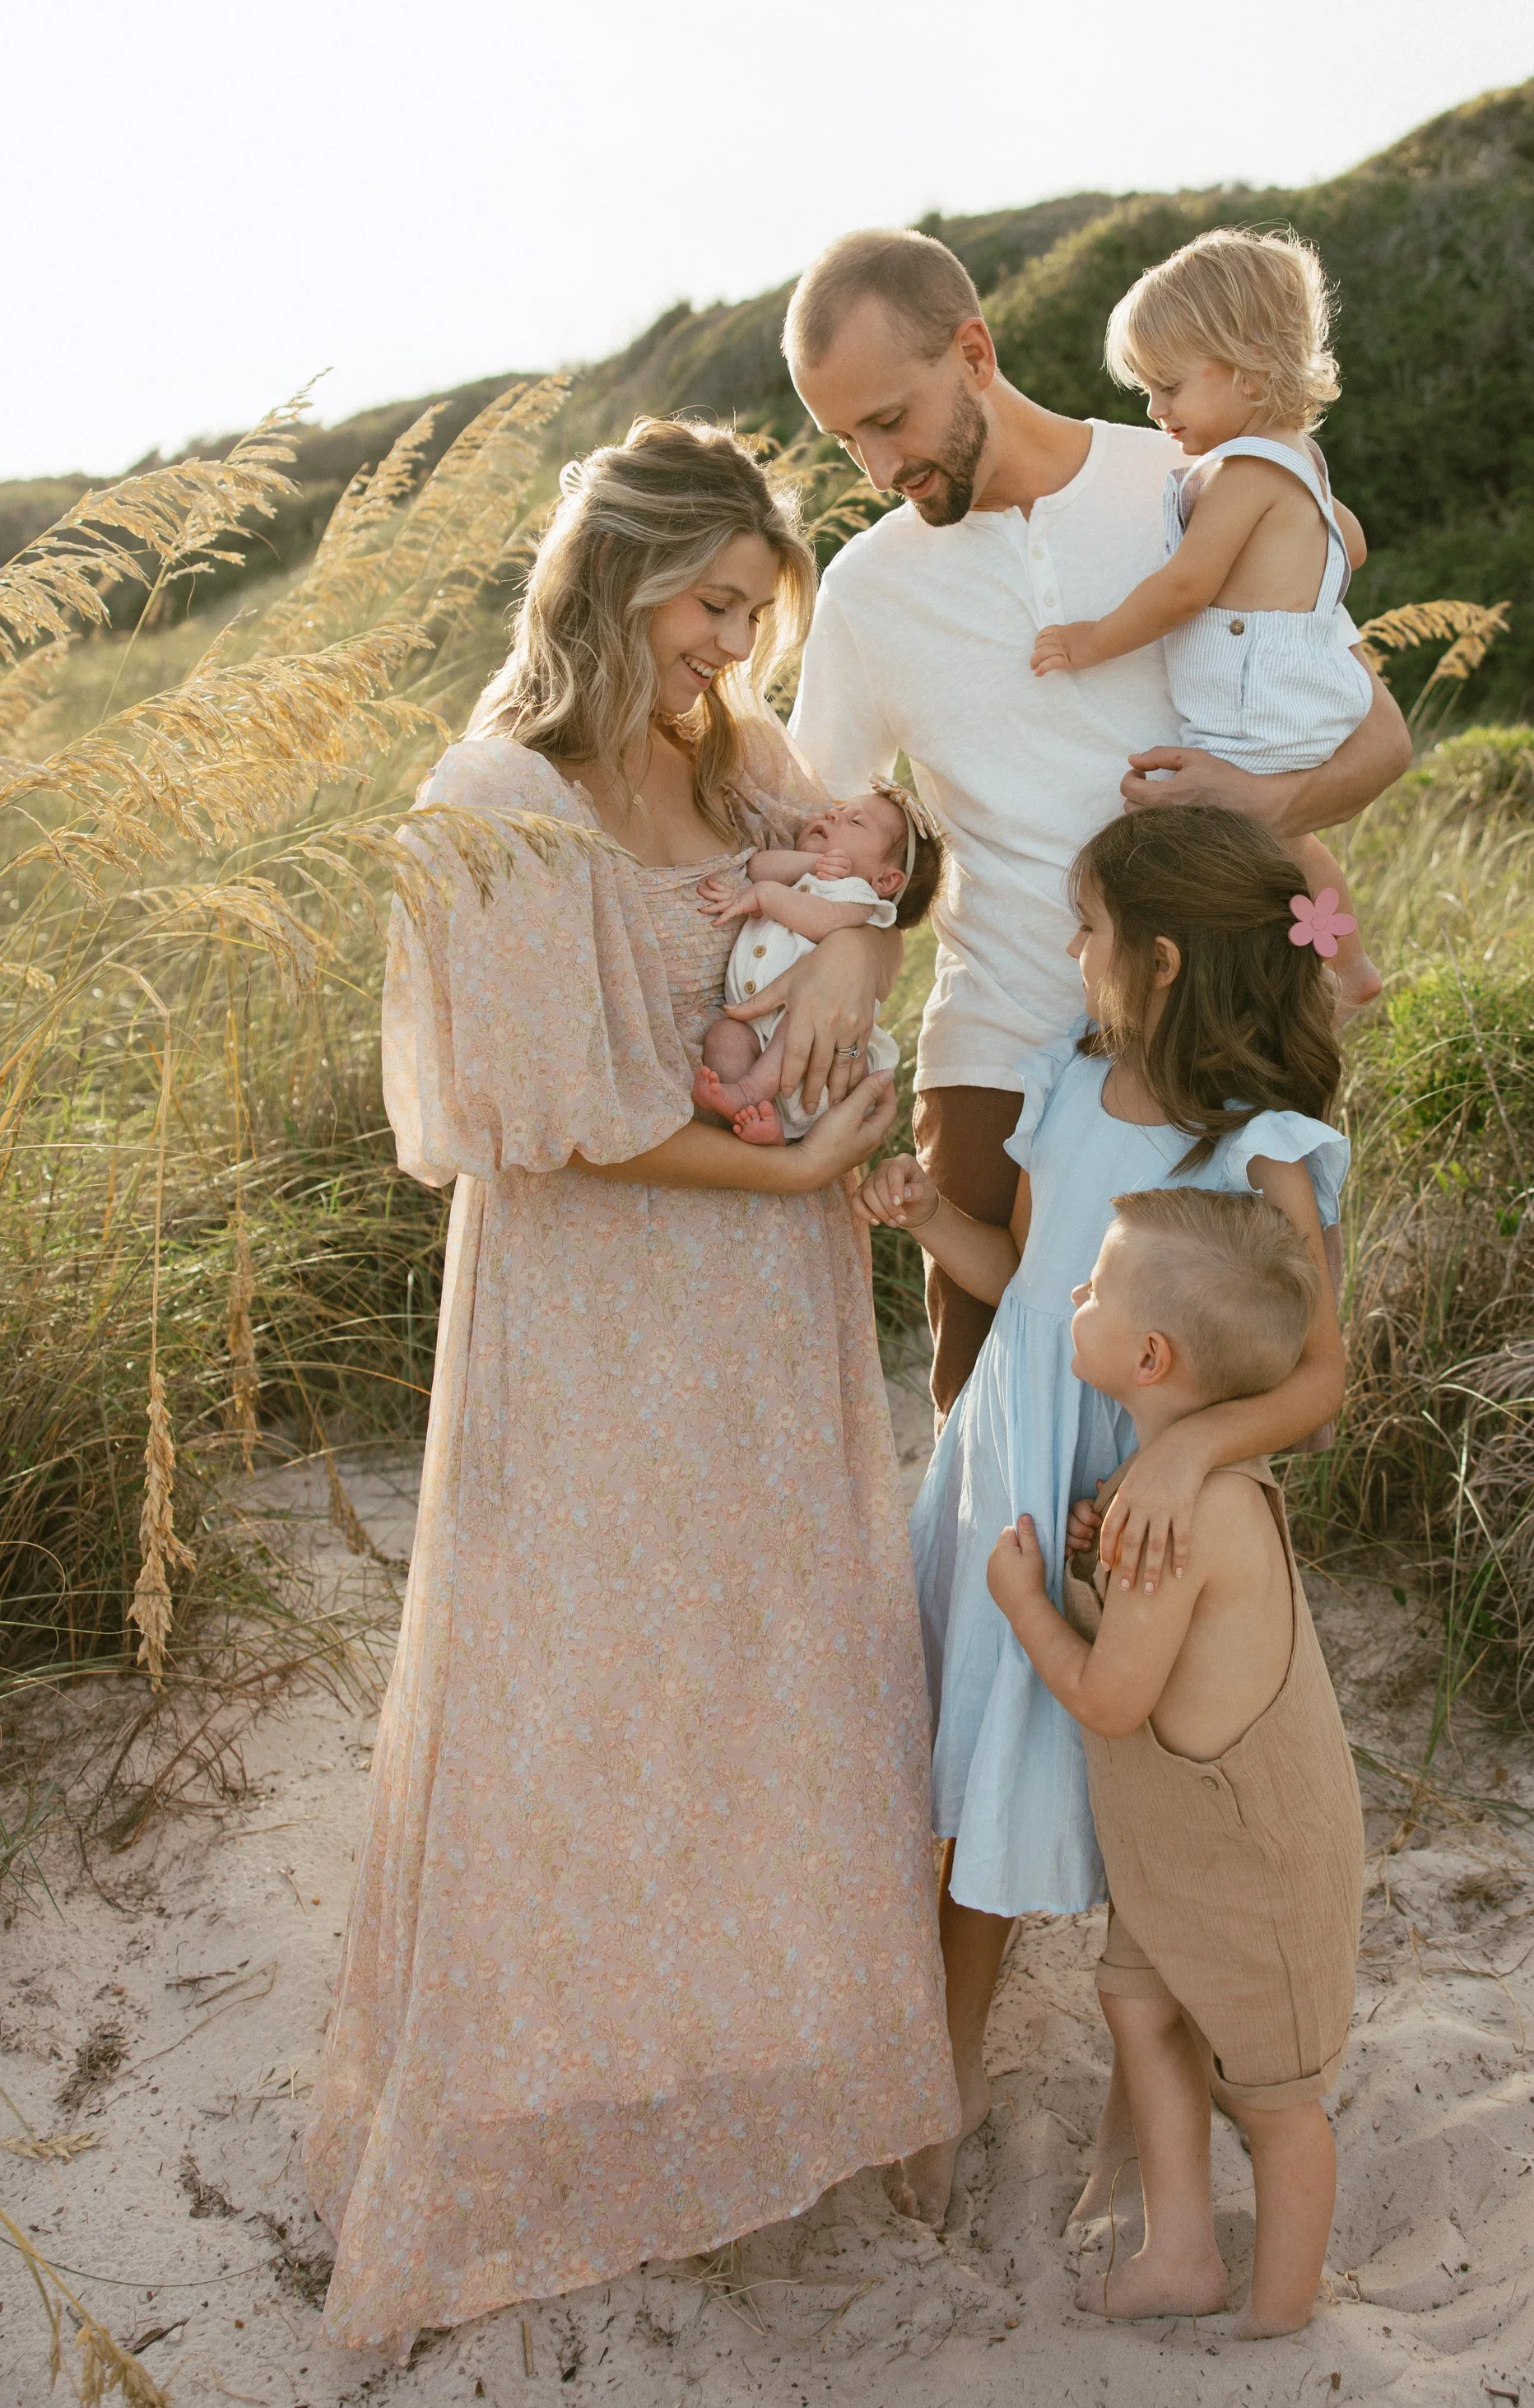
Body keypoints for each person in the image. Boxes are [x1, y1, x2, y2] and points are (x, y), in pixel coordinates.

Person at [305, 419, 955, 2352]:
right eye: (713, 606)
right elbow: (539, 1123)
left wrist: (853, 990)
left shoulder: (737, 759)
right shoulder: (492, 797)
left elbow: (851, 902)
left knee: (763, 1672)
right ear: (617, 579)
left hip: (764, 1321)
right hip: (600, 1329)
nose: (734, 647)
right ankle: (550, 2106)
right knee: (579, 1692)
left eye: (758, 613)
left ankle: (758, 2073)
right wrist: (771, 1164)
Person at [784, 225, 1411, 1420]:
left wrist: (1260, 804)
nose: (876, 468)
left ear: (974, 351)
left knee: (1201, 1414)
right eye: (846, 439)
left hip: (1204, 1039)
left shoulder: (1192, 480)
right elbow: (828, 826)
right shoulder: (868, 587)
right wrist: (854, 948)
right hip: (1001, 1038)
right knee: (985, 1406)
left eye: (890, 421)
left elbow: (1375, 737)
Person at [858, 804, 1350, 2223]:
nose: (1071, 951)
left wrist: (1188, 1459)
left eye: (1090, 930)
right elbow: (1022, 1271)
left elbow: (1317, 1372)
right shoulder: (1064, 1081)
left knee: (1156, 1818)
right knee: (975, 1768)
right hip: (1012, 1459)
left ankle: (1145, 2139)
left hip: (1141, 1498)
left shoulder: (1261, 1146)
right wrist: (923, 1220)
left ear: (1166, 960)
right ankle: (943, 2080)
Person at [988, 1186, 1363, 2338]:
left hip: (1254, 1864)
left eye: (1095, 1287)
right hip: (1186, 1848)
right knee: (1136, 2004)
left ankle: (1283, 2322)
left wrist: (1028, 1603)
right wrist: (1099, 1569)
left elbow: (1109, 1698)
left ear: (1147, 1357)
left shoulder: (1191, 1513)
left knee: (1277, 2098)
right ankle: (1182, 2254)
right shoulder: (1176, 1493)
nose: (1075, 1294)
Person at [1028, 226, 1376, 1006]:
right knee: (1291, 845)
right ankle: (1344, 968)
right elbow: (1348, 540)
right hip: (1292, 695)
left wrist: (1092, 641)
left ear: (1249, 373)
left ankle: (1224, 975)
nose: (1155, 411)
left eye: (1171, 388)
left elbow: (1183, 589)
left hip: (1260, 714)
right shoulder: (1299, 461)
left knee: (1205, 837)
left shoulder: (1246, 470)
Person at [691, 785, 942, 1141]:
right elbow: (757, 866)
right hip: (756, 1031)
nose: (832, 815)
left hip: (811, 1046)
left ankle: (749, 1093)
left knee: (801, 1014)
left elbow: (822, 921)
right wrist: (812, 862)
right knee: (724, 1037)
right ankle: (754, 1117)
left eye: (855, 822)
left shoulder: (861, 901)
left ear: (886, 880)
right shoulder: (804, 874)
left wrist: (767, 895)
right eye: (839, 808)